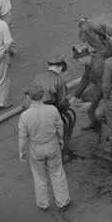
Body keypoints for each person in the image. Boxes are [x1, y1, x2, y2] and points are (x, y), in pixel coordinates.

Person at [18, 82, 71, 211]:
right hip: (52, 144)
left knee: (39, 176)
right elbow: (59, 126)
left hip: (36, 147)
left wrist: (21, 151)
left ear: (29, 98)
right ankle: (63, 202)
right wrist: (60, 139)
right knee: (57, 173)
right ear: (42, 96)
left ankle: (43, 203)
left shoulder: (25, 116)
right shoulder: (52, 110)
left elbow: (22, 137)